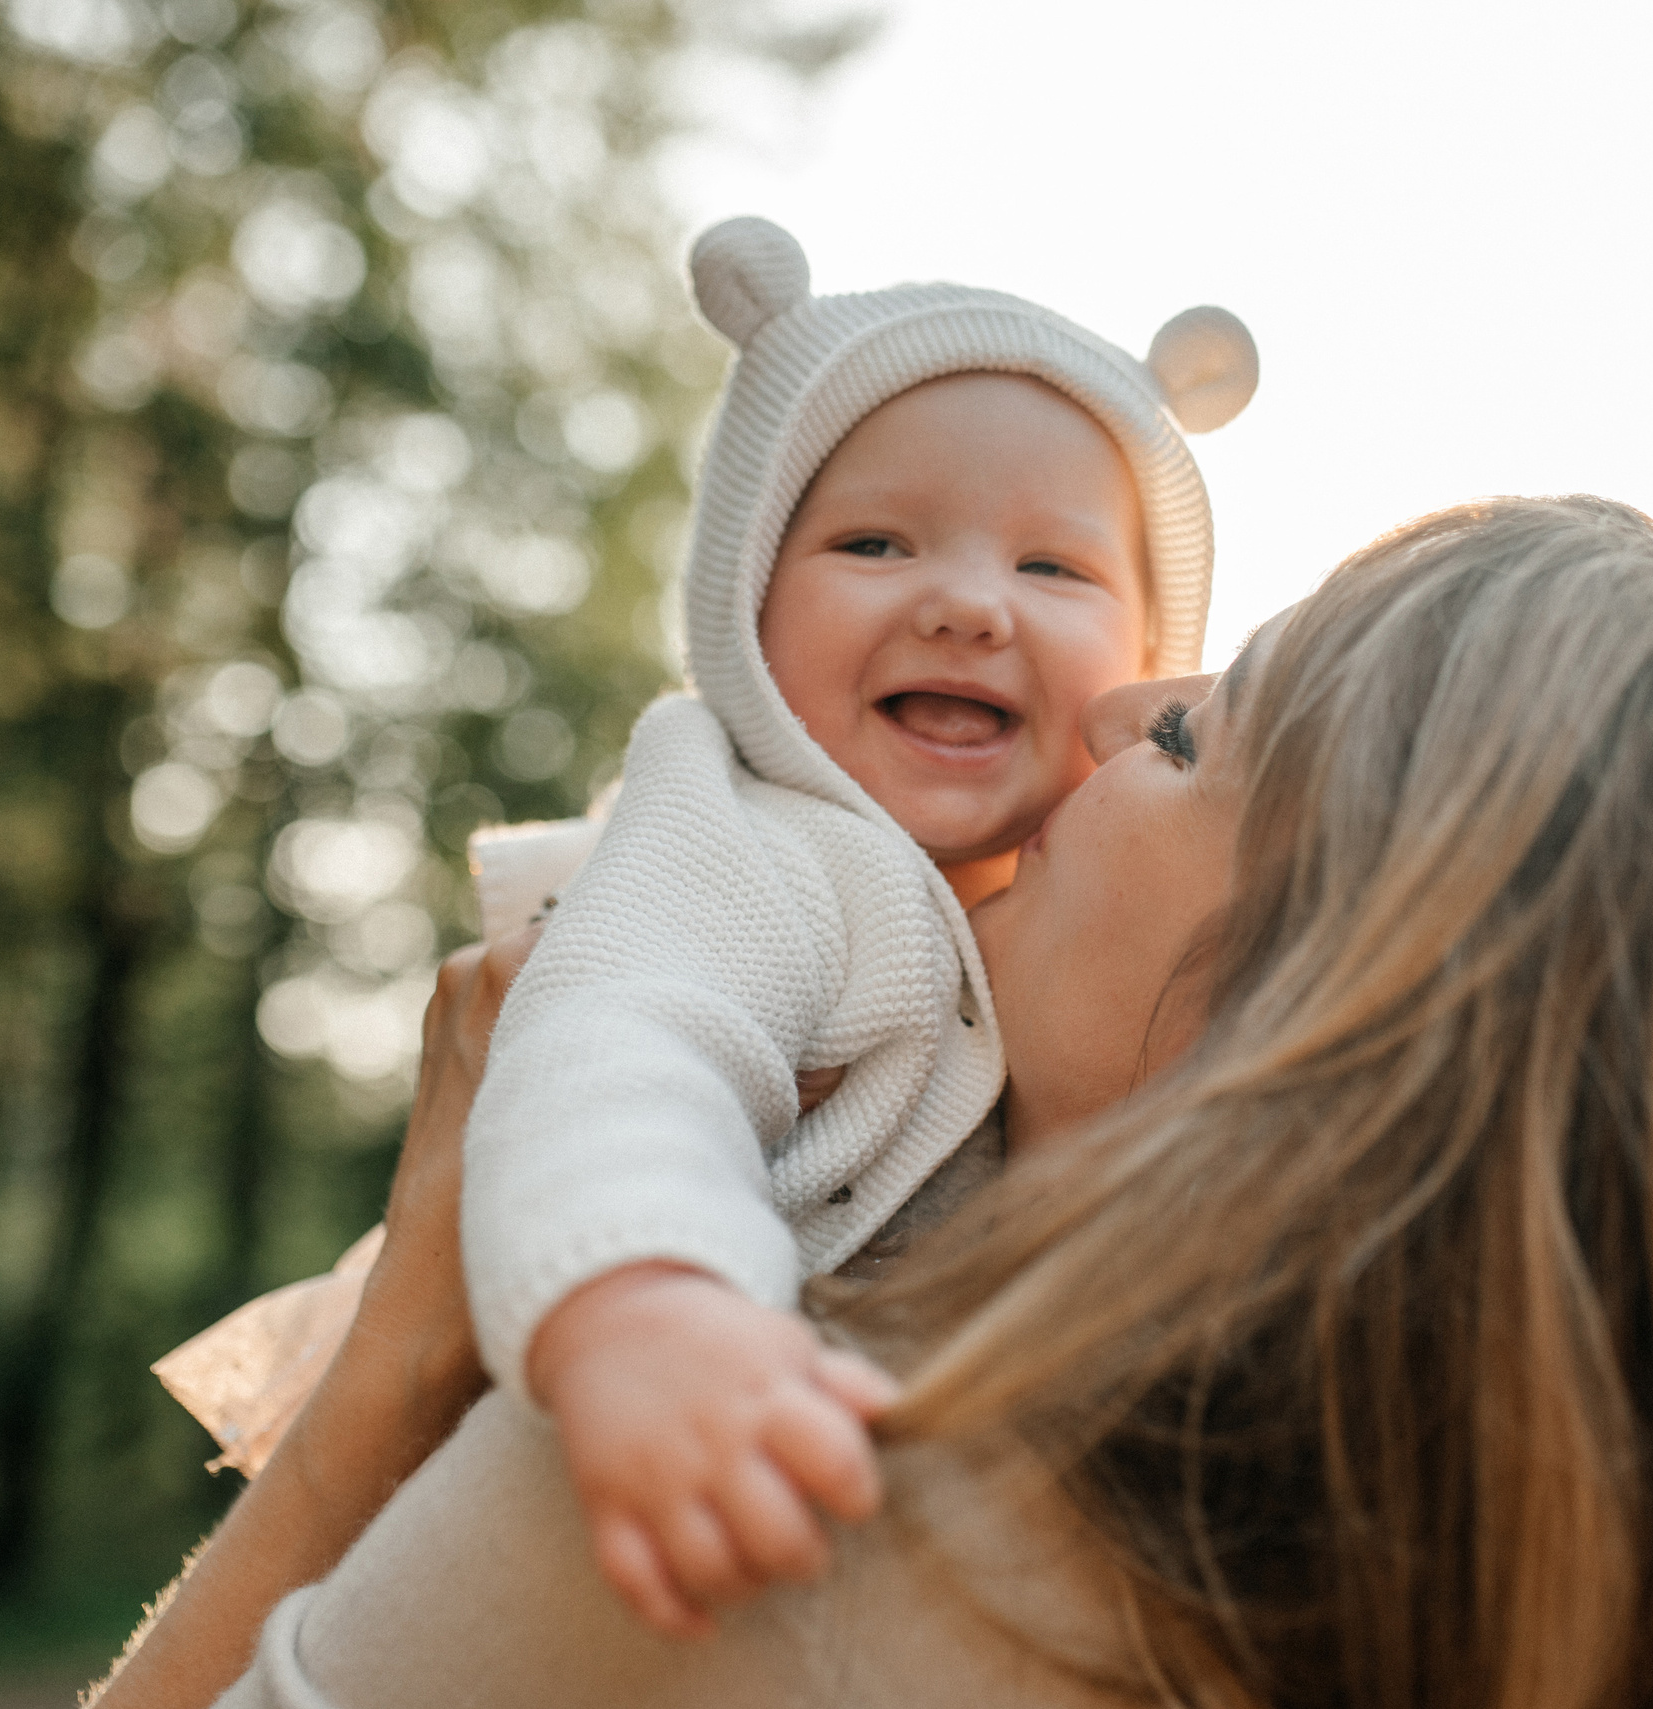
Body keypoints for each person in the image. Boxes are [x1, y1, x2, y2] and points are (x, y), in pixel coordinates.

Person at [97, 497, 1653, 1709]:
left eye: (1206, 741)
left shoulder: (758, 1512)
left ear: (1329, 1046)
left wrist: (399, 1387)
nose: (1112, 693)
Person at [462, 214, 1259, 1632]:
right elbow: (625, 1044)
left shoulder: (1095, 924)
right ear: (744, 599)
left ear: (1151, 662)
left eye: (1053, 568)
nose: (964, 604)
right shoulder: (758, 844)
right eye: (875, 541)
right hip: (654, 1415)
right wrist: (645, 1297)